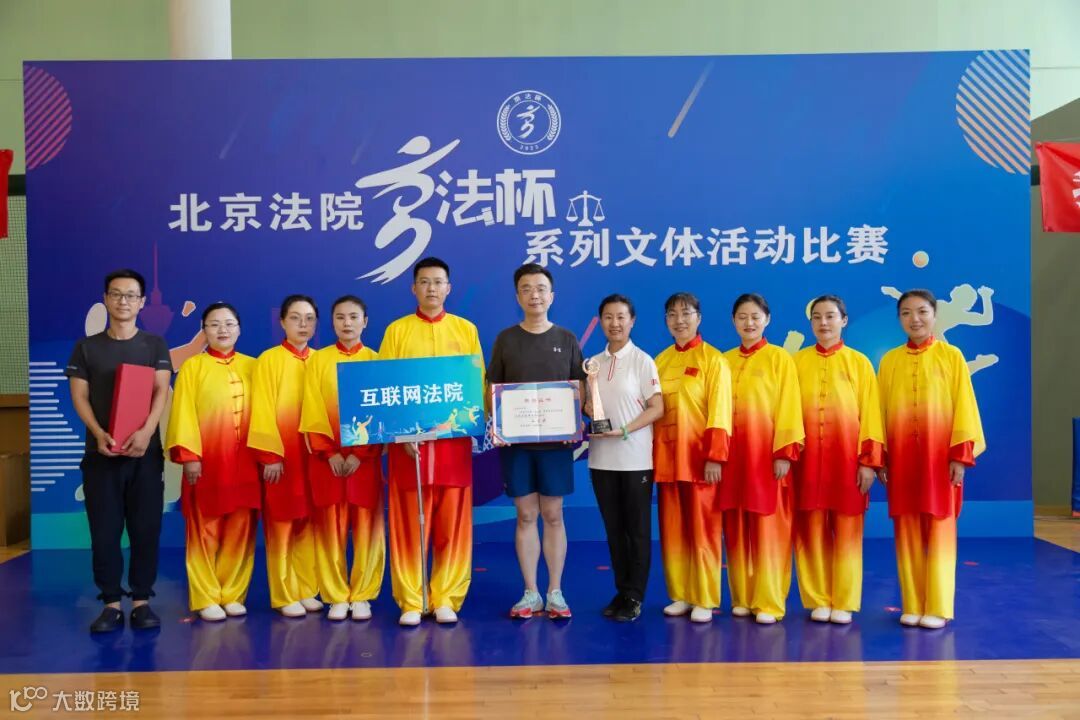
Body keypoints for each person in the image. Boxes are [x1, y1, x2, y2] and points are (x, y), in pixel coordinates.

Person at [66, 269, 172, 633]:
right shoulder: (87, 347)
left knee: (146, 529)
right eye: (116, 294)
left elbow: (160, 391)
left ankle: (141, 601)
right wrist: (98, 433)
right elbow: (79, 396)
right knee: (104, 532)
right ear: (106, 299)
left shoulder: (154, 345)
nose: (123, 301)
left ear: (142, 302)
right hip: (101, 455)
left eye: (131, 295)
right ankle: (111, 602)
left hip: (145, 454)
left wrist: (146, 432)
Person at [379, 257, 483, 626]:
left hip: (452, 446)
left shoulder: (466, 330)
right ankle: (412, 599)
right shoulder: (396, 332)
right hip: (408, 448)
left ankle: (446, 597)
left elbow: (475, 385)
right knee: (409, 524)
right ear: (414, 288)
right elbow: (385, 386)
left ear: (448, 288)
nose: (432, 288)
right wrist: (401, 433)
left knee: (452, 523)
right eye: (424, 282)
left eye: (438, 282)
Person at [878, 289, 984, 629]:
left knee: (940, 528)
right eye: (906, 313)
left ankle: (937, 607)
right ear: (899, 319)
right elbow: (878, 412)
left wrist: (960, 457)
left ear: (935, 315)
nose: (915, 319)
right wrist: (880, 457)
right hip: (901, 459)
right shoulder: (889, 361)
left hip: (940, 459)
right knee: (906, 529)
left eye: (922, 311)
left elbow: (965, 407)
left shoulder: (952, 357)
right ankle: (912, 603)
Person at [487, 263, 587, 620]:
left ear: (552, 296)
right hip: (517, 445)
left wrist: (577, 414)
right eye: (527, 289)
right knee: (526, 514)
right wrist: (500, 424)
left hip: (556, 446)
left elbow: (580, 390)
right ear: (518, 297)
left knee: (553, 514)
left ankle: (555, 591)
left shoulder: (567, 339)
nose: (535, 295)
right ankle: (530, 592)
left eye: (541, 288)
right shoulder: (506, 340)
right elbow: (492, 389)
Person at [165, 302, 261, 622]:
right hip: (207, 463)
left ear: (239, 329)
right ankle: (206, 596)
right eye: (214, 324)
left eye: (229, 324)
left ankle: (232, 593)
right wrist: (189, 457)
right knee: (203, 529)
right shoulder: (192, 367)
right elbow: (183, 412)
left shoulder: (254, 366)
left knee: (241, 529)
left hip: (247, 463)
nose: (222, 330)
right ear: (204, 330)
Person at [791, 295, 884, 625]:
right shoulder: (796, 363)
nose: (824, 323)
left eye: (830, 316)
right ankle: (817, 598)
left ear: (844, 320)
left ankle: (844, 600)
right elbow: (786, 413)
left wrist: (868, 462)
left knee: (847, 532)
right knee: (810, 531)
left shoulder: (859, 363)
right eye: (817, 317)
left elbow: (872, 415)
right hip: (806, 464)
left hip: (848, 463)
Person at [299, 295, 385, 622]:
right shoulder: (319, 361)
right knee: (329, 528)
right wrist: (330, 452)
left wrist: (362, 454)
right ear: (332, 322)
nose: (347, 323)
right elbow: (312, 408)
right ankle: (335, 594)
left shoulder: (377, 361)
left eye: (353, 317)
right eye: (340, 317)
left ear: (365, 321)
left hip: (365, 462)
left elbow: (383, 414)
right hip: (329, 463)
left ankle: (362, 594)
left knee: (367, 529)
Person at [722, 293, 804, 624]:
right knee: (737, 527)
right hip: (731, 460)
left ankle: (769, 601)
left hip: (767, 459)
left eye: (755, 316)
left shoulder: (779, 359)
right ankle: (743, 596)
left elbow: (789, 406)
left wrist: (784, 452)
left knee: (770, 529)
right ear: (733, 321)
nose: (749, 323)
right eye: (742, 317)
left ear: (767, 319)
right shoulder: (724, 360)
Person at [652, 292, 731, 624]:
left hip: (700, 461)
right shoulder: (659, 361)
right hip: (665, 459)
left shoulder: (713, 360)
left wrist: (715, 457)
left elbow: (721, 411)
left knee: (703, 529)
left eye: (686, 313)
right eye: (672, 314)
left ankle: (705, 597)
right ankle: (681, 594)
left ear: (699, 317)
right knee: (673, 529)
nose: (679, 320)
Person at [584, 294, 664, 622]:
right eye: (608, 317)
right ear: (600, 321)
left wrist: (625, 430)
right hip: (601, 460)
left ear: (632, 321)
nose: (614, 323)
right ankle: (621, 589)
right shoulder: (592, 364)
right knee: (614, 531)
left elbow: (657, 408)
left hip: (634, 460)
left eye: (621, 317)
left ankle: (635, 596)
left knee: (637, 531)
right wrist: (587, 408)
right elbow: (590, 406)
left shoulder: (643, 361)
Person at [248, 295, 321, 617]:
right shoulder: (269, 360)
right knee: (281, 524)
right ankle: (284, 593)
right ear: (282, 322)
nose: (302, 325)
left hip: (315, 457)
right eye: (295, 318)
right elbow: (261, 408)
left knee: (310, 523)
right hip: (283, 455)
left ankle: (307, 588)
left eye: (309, 318)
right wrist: (270, 455)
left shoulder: (321, 360)